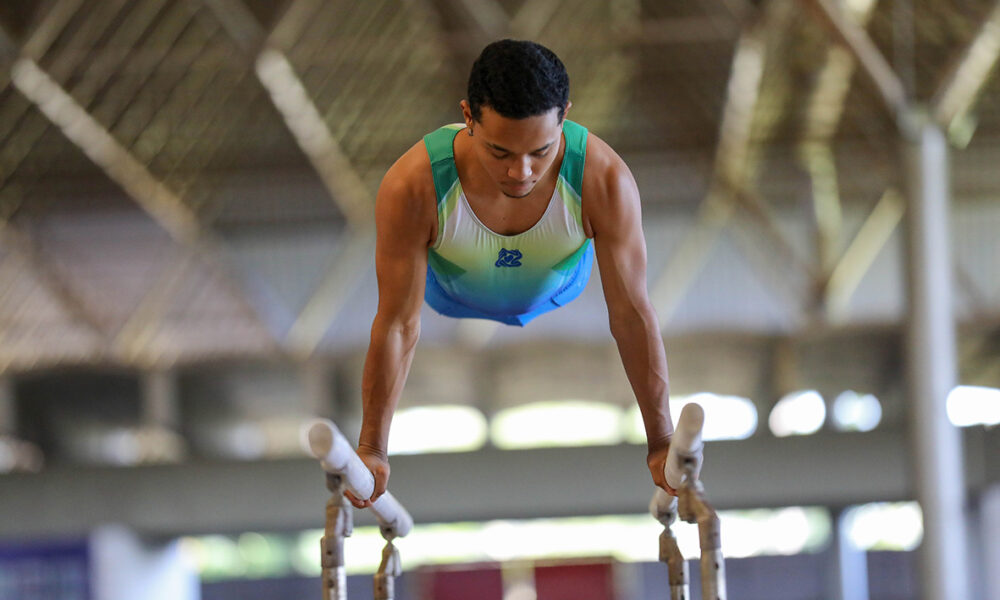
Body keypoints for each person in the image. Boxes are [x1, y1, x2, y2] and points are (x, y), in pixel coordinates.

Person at [346, 39, 673, 509]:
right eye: (500, 152)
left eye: (540, 151)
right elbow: (398, 322)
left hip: (558, 283)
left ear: (565, 116)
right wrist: (372, 447)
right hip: (451, 291)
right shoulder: (413, 185)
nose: (521, 172)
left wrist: (661, 440)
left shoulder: (603, 179)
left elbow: (630, 312)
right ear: (467, 117)